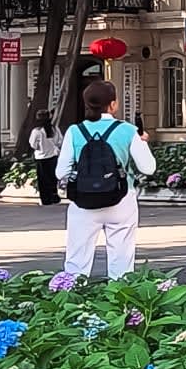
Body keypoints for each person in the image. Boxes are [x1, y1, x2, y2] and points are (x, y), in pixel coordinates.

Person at [57, 81, 154, 277]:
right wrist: (143, 143)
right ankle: (118, 300)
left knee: (77, 260)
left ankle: (70, 300)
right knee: (122, 259)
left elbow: (61, 172)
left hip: (83, 202)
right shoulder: (128, 130)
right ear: (113, 104)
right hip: (121, 200)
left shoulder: (75, 131)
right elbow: (148, 168)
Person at [29, 113, 62, 205]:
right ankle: (54, 195)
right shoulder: (55, 129)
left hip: (41, 157)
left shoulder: (36, 131)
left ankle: (46, 199)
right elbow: (60, 141)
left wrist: (40, 146)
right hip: (53, 155)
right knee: (52, 176)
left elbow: (33, 144)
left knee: (43, 179)